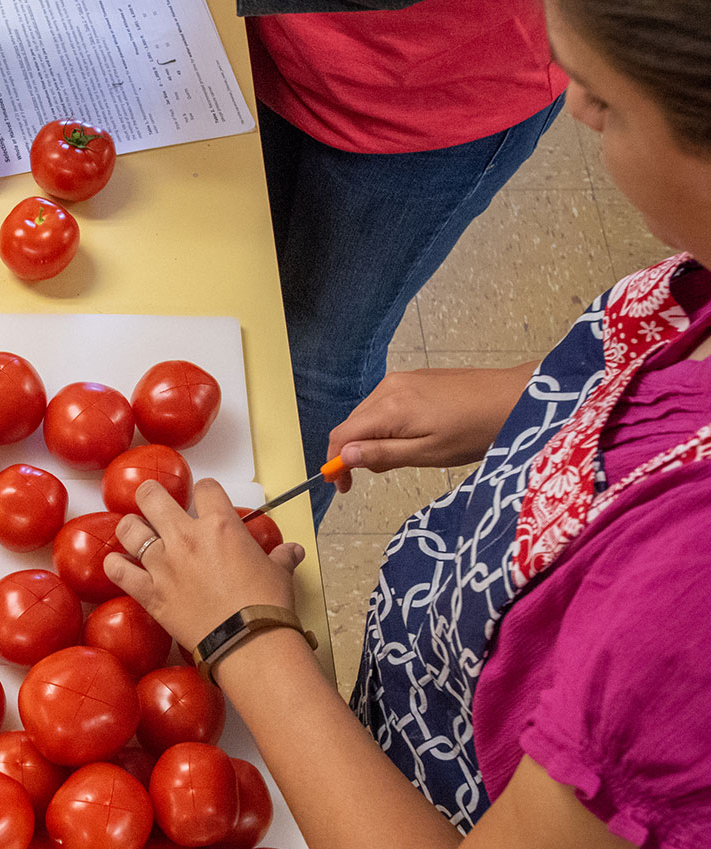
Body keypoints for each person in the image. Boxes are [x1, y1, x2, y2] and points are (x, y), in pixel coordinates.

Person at [105, 1, 711, 849]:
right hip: (399, 745)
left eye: (606, 103)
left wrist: (247, 636)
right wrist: (527, 403)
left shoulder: (690, 628)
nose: (568, 111)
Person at [238, 0, 569, 523]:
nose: (593, 113)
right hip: (279, 43)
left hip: (441, 96)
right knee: (249, 291)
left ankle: (268, 538)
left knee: (319, 360)